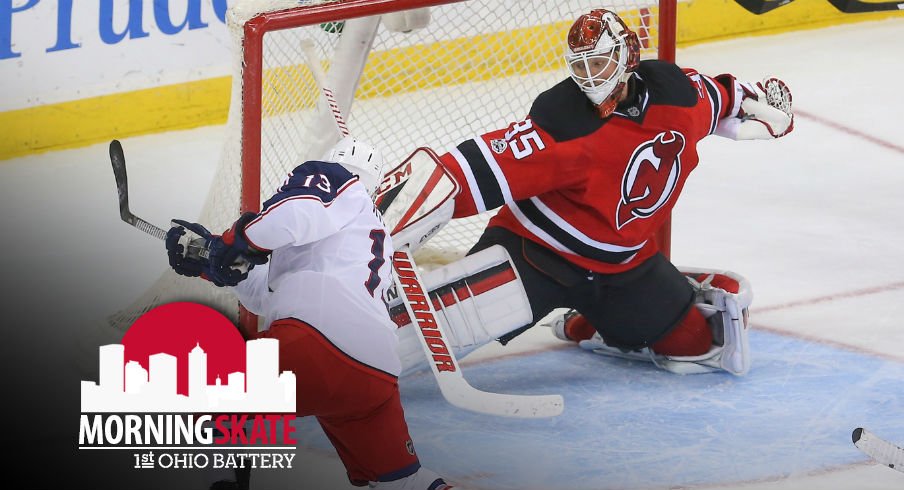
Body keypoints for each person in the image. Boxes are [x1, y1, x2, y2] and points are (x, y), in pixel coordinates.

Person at [415, 8, 792, 375]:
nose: (590, 78)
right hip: (536, 254)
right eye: (580, 66)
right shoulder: (561, 118)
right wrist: (390, 218)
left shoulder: (677, 95)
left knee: (697, 342)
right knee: (423, 336)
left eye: (597, 63)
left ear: (626, 55)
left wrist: (766, 108)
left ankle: (587, 323)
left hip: (622, 266)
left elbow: (725, 96)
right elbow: (469, 172)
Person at [165, 136, 456, 490]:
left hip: (317, 344)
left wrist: (234, 241)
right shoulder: (369, 236)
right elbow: (272, 297)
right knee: (404, 481)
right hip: (373, 378)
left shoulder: (333, 179)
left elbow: (295, 212)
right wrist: (215, 265)